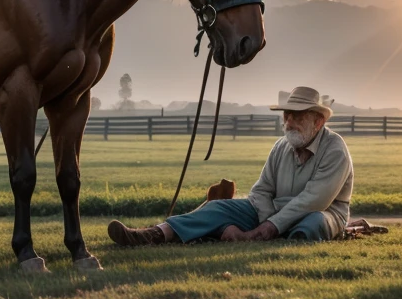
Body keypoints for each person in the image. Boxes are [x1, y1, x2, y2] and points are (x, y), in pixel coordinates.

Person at [108, 86, 353, 246]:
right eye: (286, 115)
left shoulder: (334, 149)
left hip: (322, 212)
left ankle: (230, 235)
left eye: (297, 116)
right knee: (216, 207)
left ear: (318, 121)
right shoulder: (281, 146)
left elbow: (314, 200)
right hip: (273, 212)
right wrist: (266, 221)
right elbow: (262, 190)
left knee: (312, 225)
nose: (289, 122)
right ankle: (153, 234)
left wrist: (268, 227)